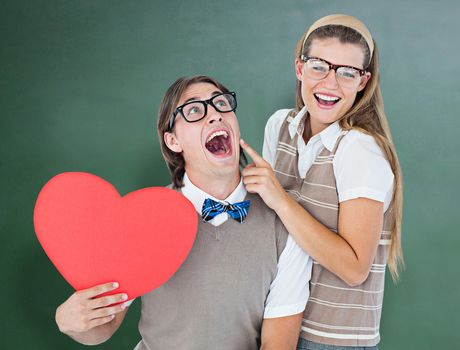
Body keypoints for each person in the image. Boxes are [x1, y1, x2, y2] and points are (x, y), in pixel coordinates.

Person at [54, 75, 312, 350]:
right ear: (173, 141)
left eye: (221, 104)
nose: (214, 115)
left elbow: (278, 343)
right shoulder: (146, 217)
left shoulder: (283, 224)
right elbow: (103, 327)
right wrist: (69, 321)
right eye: (194, 110)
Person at [239, 14, 403, 349]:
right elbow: (274, 230)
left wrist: (280, 200)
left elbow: (355, 268)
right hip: (277, 326)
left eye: (347, 72)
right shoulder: (280, 126)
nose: (330, 83)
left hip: (330, 340)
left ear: (363, 81)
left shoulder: (359, 150)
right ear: (299, 68)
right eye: (319, 66)